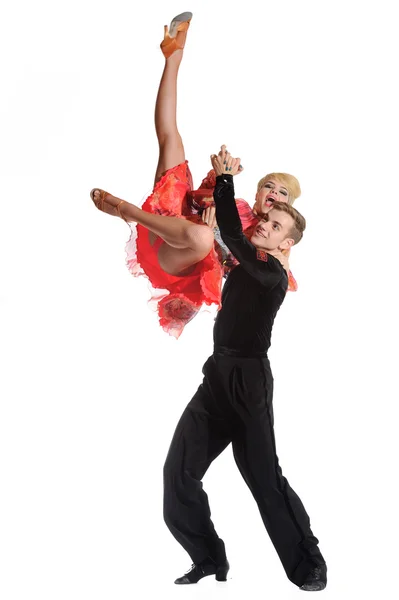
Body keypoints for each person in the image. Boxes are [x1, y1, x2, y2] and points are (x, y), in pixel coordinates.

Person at [162, 151, 327, 591]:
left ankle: (308, 564)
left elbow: (232, 234)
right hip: (216, 376)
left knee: (264, 479)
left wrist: (225, 178)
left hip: (248, 383)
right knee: (179, 471)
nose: (265, 226)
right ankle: (207, 558)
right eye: (266, 219)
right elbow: (224, 236)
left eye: (274, 227)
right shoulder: (248, 262)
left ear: (285, 245)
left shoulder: (269, 273)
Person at [90, 12, 300, 338]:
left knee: (202, 238)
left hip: (178, 263)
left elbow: (266, 276)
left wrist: (218, 232)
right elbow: (201, 200)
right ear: (258, 194)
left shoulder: (275, 248)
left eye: (282, 195)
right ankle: (173, 55)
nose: (274, 194)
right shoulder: (240, 207)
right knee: (172, 142)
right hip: (169, 223)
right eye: (268, 187)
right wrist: (220, 181)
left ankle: (127, 211)